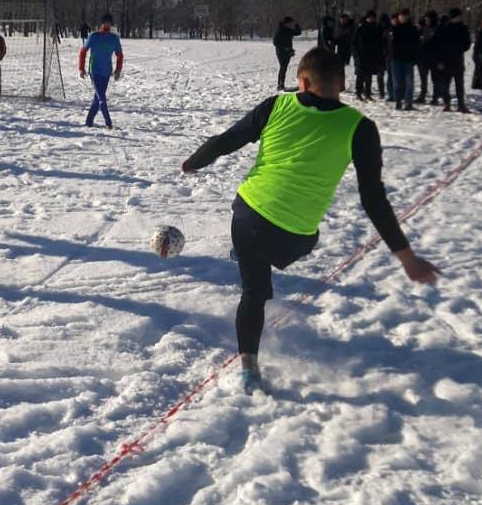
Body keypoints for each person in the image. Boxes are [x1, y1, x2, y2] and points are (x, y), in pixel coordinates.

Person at [181, 47, 440, 393]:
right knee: (304, 242)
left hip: (246, 215)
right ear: (342, 83)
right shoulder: (360, 127)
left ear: (302, 81)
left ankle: (248, 369)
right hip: (295, 233)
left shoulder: (275, 106)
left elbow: (225, 141)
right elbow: (373, 199)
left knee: (254, 292)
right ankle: (252, 256)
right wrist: (407, 259)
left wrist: (193, 162)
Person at [80, 13, 124, 129]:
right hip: (94, 71)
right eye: (106, 22)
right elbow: (83, 52)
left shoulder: (114, 38)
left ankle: (89, 122)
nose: (108, 25)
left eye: (110, 23)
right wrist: (81, 68)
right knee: (101, 99)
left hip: (106, 72)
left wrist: (118, 69)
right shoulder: (93, 36)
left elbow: (119, 55)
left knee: (98, 97)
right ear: (102, 23)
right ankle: (108, 123)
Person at [433, 7, 472, 113]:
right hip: (445, 61)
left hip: (458, 60)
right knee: (444, 85)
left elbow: (467, 43)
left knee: (459, 85)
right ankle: (447, 103)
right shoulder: (445, 28)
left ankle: (461, 105)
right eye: (458, 16)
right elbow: (439, 46)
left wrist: (460, 47)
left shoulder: (463, 28)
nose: (459, 18)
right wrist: (439, 61)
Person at [387, 9, 421, 110]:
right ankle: (398, 102)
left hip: (408, 59)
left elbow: (417, 44)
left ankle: (408, 103)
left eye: (405, 16)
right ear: (399, 17)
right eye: (402, 16)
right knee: (397, 82)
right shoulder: (394, 28)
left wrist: (415, 56)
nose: (403, 18)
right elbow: (389, 43)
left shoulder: (413, 28)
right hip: (396, 59)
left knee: (409, 82)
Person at [352, 11, 384, 101]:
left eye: (373, 17)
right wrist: (356, 54)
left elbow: (379, 43)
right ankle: (358, 93)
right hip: (361, 56)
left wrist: (378, 54)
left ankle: (368, 94)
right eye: (369, 17)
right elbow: (354, 42)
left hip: (372, 56)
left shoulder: (376, 28)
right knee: (360, 76)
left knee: (369, 76)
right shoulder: (360, 28)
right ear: (366, 18)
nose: (371, 19)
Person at [416, 11, 441, 105]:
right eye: (426, 19)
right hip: (422, 57)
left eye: (429, 19)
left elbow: (439, 44)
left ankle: (435, 98)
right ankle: (422, 96)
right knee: (423, 79)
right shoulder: (420, 28)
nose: (427, 20)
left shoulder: (437, 29)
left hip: (434, 57)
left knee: (435, 79)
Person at [273, 16, 301, 90]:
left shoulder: (289, 30)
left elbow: (298, 32)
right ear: (286, 23)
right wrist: (284, 48)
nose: (291, 24)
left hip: (288, 52)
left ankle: (281, 84)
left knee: (284, 67)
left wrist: (297, 25)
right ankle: (280, 84)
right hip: (281, 52)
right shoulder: (280, 30)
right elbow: (275, 42)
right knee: (283, 66)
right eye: (290, 23)